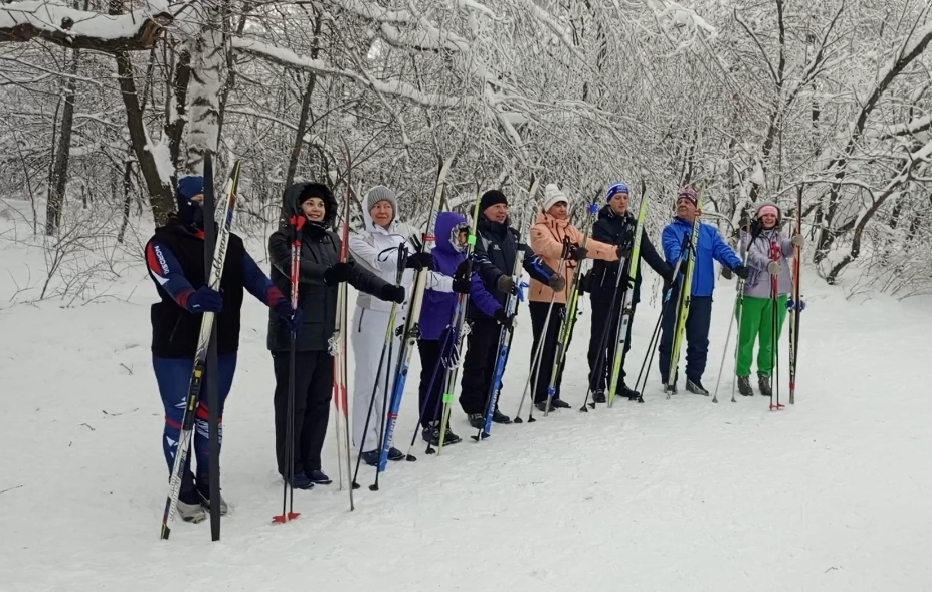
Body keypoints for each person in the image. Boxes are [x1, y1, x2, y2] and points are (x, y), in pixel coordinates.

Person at [146, 175, 300, 523]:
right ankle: (182, 487)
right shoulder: (162, 242)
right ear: (184, 202)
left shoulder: (228, 242)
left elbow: (256, 279)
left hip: (222, 341)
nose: (204, 206)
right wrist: (192, 298)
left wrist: (282, 305)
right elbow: (170, 280)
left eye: (209, 200)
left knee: (210, 416)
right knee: (181, 413)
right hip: (177, 344)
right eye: (197, 199)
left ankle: (207, 482)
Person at [267, 182, 404, 489]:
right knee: (294, 402)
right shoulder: (282, 239)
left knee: (320, 400)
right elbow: (293, 268)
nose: (317, 209)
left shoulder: (332, 240)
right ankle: (293, 464)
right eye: (310, 203)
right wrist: (328, 274)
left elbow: (354, 272)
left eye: (321, 204)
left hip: (327, 335)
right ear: (296, 206)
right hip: (294, 332)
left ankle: (312, 463)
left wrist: (385, 290)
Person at [462, 188, 559, 429]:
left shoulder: (512, 236)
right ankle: (474, 406)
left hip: (506, 308)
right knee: (478, 359)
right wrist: (499, 280)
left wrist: (550, 277)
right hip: (482, 307)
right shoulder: (476, 235)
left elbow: (531, 260)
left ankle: (491, 402)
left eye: (505, 207)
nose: (502, 211)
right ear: (485, 210)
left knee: (499, 357)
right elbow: (480, 261)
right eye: (497, 207)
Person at [528, 184, 618, 411]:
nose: (561, 209)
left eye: (564, 205)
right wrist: (570, 252)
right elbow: (547, 248)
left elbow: (588, 244)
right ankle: (539, 393)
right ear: (548, 208)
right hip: (544, 296)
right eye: (557, 205)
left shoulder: (570, 230)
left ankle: (553, 389)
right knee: (545, 344)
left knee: (560, 345)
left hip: (567, 296)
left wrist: (612, 252)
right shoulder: (538, 229)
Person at [416, 211, 502, 445]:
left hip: (453, 326)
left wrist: (497, 310)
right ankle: (429, 422)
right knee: (432, 374)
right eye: (459, 236)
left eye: (466, 236)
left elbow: (477, 290)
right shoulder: (433, 258)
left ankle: (443, 417)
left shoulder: (464, 259)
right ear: (447, 235)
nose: (463, 241)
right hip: (432, 328)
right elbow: (430, 290)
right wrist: (456, 283)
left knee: (447, 375)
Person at [586, 182, 673, 403]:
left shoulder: (635, 225)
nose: (622, 201)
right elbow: (606, 251)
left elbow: (649, 252)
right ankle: (597, 383)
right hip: (606, 287)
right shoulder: (601, 225)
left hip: (628, 290)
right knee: (601, 336)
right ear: (610, 201)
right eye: (617, 198)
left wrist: (668, 273)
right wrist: (618, 267)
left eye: (625, 197)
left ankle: (617, 379)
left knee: (621, 337)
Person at [658, 186, 748, 395]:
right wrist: (682, 260)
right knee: (671, 336)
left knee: (699, 339)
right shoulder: (671, 231)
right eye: (680, 202)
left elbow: (722, 250)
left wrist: (736, 265)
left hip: (702, 295)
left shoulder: (709, 233)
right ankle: (669, 376)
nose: (682, 205)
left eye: (687, 202)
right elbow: (671, 250)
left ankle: (694, 378)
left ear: (696, 207)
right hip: (678, 291)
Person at [734, 201, 804, 396]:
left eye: (772, 215)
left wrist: (794, 243)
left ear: (776, 218)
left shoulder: (779, 236)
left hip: (778, 294)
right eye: (765, 214)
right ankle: (742, 374)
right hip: (752, 293)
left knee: (770, 338)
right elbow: (750, 255)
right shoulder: (749, 235)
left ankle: (764, 375)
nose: (769, 218)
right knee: (747, 338)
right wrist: (768, 264)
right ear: (759, 217)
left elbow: (788, 251)